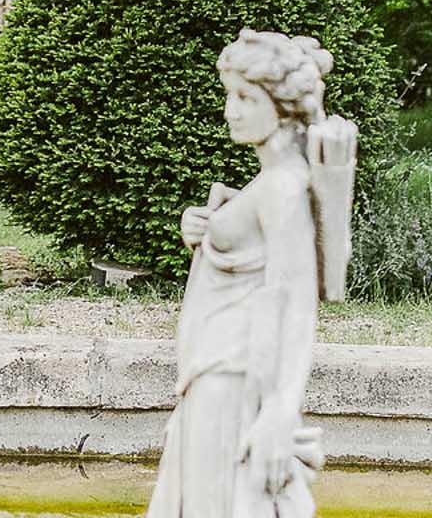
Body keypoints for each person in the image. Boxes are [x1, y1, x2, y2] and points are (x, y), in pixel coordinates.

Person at [147, 28, 358, 518]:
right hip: (216, 372)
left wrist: (280, 414)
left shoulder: (282, 189)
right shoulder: (268, 183)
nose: (231, 110)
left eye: (245, 97)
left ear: (281, 105)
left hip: (234, 380)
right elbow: (242, 244)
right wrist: (204, 226)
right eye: (229, 95)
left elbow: (296, 304)